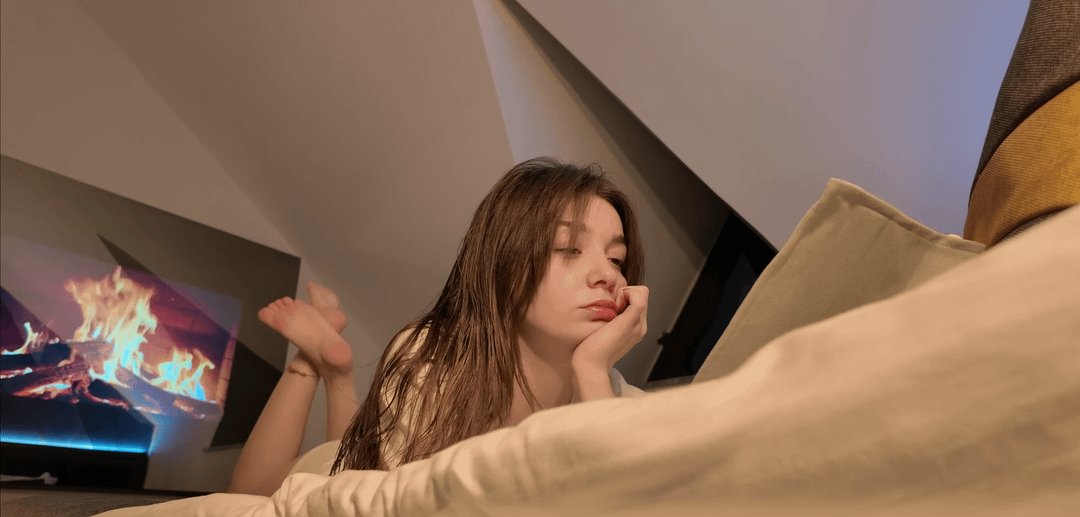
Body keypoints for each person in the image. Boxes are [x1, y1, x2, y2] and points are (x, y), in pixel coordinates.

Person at [226, 157, 651, 496]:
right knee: (249, 489)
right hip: (358, 464)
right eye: (569, 248)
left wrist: (591, 372)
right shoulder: (432, 360)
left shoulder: (610, 393)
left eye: (617, 259)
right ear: (503, 262)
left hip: (369, 457)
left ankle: (335, 365)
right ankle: (310, 360)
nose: (608, 275)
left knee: (351, 460)